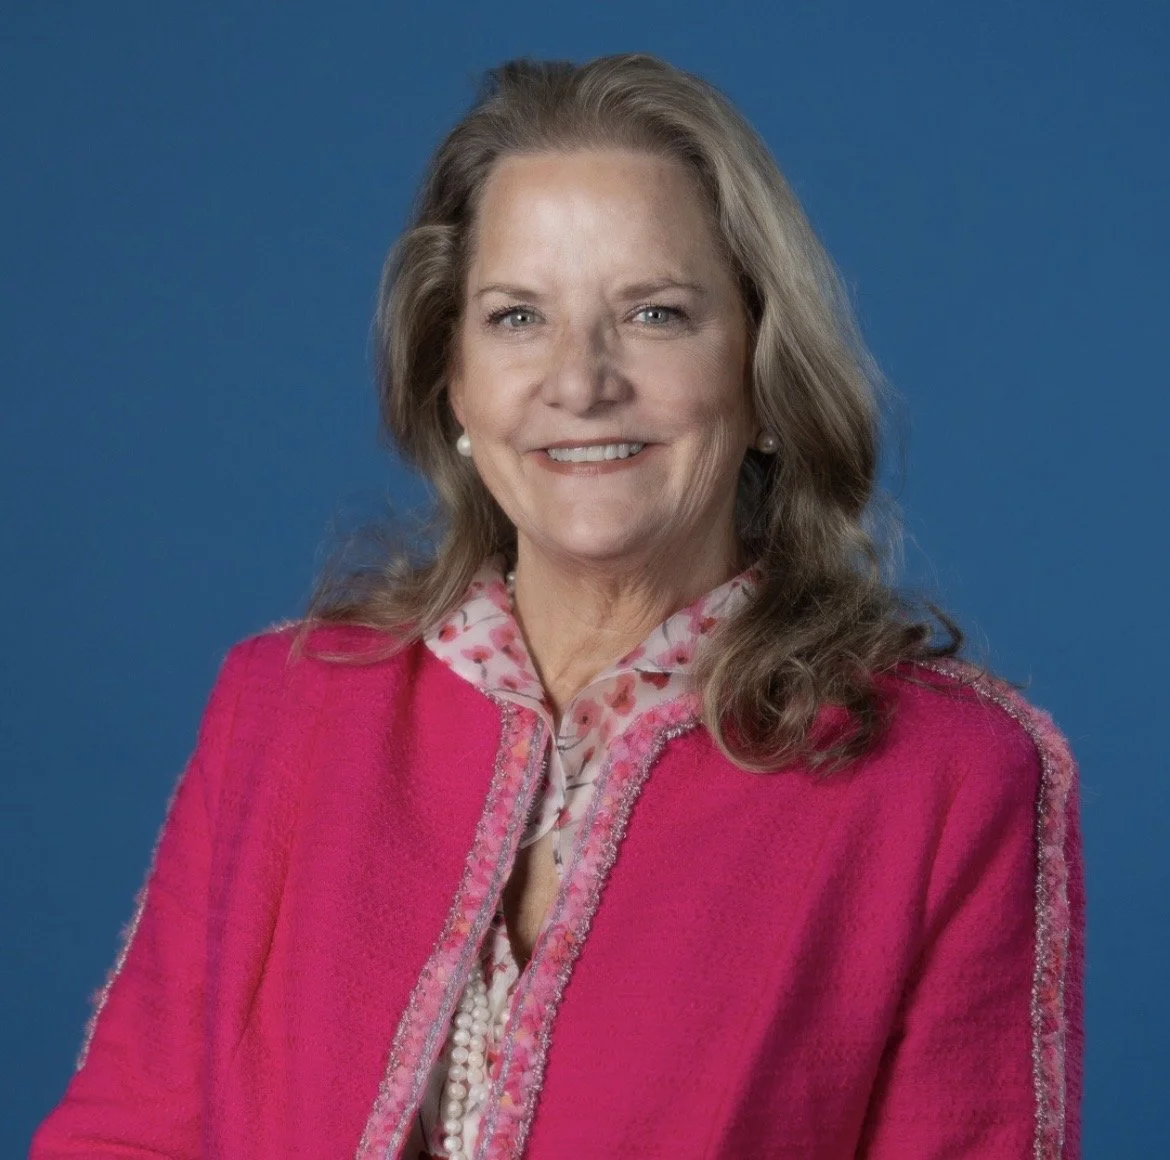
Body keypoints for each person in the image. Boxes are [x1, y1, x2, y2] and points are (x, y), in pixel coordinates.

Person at [31, 53, 1084, 1159]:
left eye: (656, 313)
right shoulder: (281, 708)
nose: (580, 381)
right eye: (519, 315)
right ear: (455, 385)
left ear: (763, 378)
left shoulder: (950, 777)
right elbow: (126, 1135)